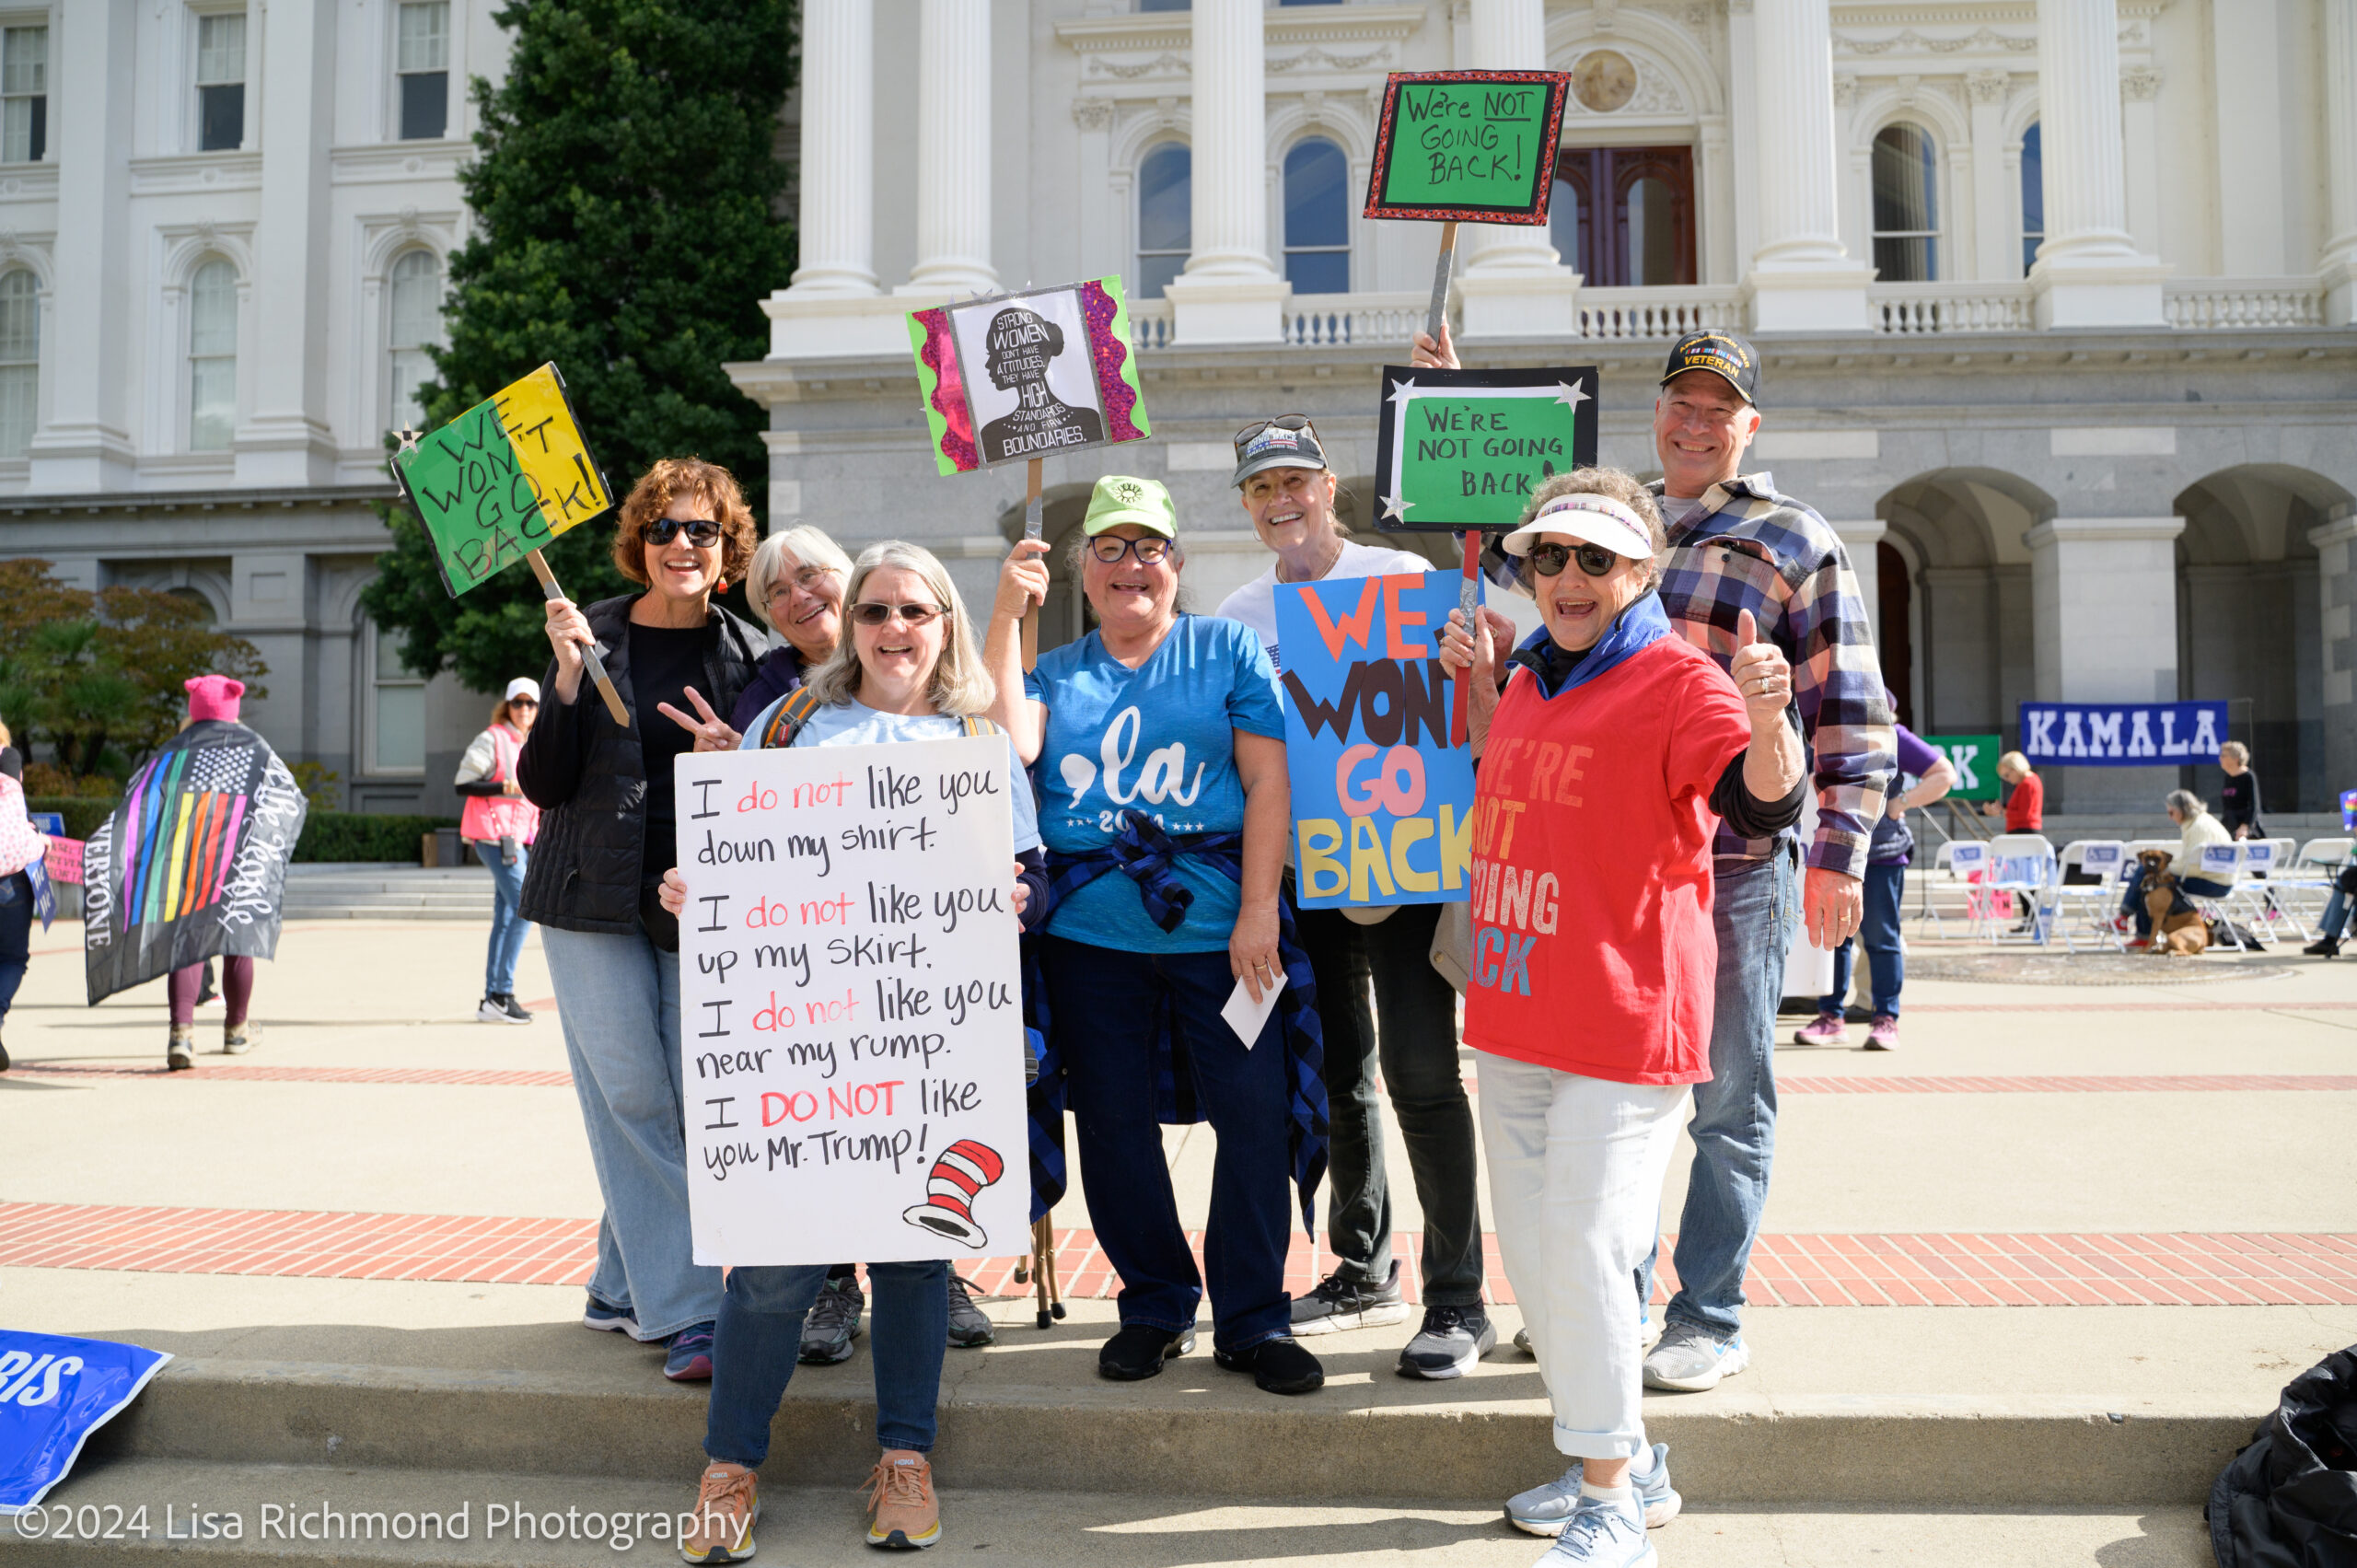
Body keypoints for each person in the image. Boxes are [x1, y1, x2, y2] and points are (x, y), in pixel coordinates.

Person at [1412, 323, 1892, 1396]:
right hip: (1605, 860)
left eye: (1718, 406)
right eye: (1681, 401)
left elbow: (1850, 702)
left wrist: (1839, 851)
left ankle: (1708, 1309)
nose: (1694, 420)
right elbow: (1505, 533)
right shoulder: (1609, 520)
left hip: (1733, 849)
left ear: (1747, 425)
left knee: (1725, 1092)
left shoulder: (1790, 533)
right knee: (1597, 1093)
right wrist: (1443, 409)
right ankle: (1605, 1298)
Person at [1438, 471, 1803, 1562]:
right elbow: (1510, 782)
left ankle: (1609, 1499)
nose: (1567, 576)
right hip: (1512, 1012)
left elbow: (1763, 800)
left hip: (1624, 1015)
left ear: (1641, 571)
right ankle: (1628, 1460)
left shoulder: (1679, 681)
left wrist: (1771, 717)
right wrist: (1481, 687)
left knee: (1593, 1249)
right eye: (1549, 556)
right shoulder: (1532, 680)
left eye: (1595, 558)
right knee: (1543, 1264)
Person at [659, 540, 1042, 1563]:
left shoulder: (978, 740)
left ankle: (905, 1458)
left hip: (927, 1038)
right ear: (853, 623)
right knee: (777, 1267)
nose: (893, 629)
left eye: (914, 610)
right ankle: (729, 1464)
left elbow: (1035, 876)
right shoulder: (792, 725)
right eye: (875, 611)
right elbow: (735, 859)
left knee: (918, 1256)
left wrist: (1012, 898)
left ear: (945, 620)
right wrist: (700, 888)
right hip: (802, 1045)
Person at [985, 474, 1329, 1398]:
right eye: (1109, 548)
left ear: (1176, 564)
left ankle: (1254, 1316)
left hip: (1225, 935)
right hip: (1091, 942)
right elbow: (1008, 742)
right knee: (1113, 1125)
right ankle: (1155, 1302)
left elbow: (1267, 785)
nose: (1129, 566)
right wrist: (1005, 615)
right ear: (1081, 571)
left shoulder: (1227, 650)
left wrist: (1260, 909)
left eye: (1148, 549)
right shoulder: (1052, 671)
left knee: (1256, 1117)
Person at [1213, 414, 1492, 1377]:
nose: (1281, 500)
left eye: (1295, 479)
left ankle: (1456, 1293)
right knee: (1338, 1074)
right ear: (1246, 505)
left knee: (1420, 1072)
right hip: (1305, 874)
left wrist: (1468, 667)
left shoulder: (1403, 582)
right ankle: (1360, 1260)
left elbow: (1473, 715)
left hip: (1405, 860)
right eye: (1260, 487)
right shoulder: (1237, 616)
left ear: (1330, 485)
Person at [517, 457, 769, 1383]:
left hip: (698, 903)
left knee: (697, 1105)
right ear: (640, 543)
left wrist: (733, 762)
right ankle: (692, 1306)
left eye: (701, 530)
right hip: (589, 897)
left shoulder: (750, 656)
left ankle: (618, 1282)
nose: (681, 545)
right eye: (664, 529)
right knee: (631, 1093)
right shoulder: (592, 634)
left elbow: (773, 798)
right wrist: (568, 677)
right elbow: (541, 784)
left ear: (727, 545)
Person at [1795, 717, 1955, 1051]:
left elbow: (1944, 773)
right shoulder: (1818, 729)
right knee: (1832, 938)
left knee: (1881, 938)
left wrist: (1901, 803)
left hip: (1880, 852)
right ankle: (1830, 1016)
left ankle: (1885, 1019)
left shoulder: (1889, 732)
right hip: (1832, 850)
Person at [455, 678, 542, 1024]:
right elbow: (462, 783)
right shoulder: (492, 738)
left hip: (518, 838)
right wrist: (502, 784)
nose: (524, 709)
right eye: (518, 703)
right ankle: (502, 994)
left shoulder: (531, 742)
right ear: (507, 706)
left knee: (507, 916)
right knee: (524, 908)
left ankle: (493, 999)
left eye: (531, 704)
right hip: (494, 836)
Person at [729, 524, 851, 732]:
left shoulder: (899, 663)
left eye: (808, 575)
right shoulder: (760, 705)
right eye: (778, 592)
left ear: (844, 574)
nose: (799, 597)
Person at [2119, 789, 2234, 947]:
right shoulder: (2202, 822)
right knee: (2150, 877)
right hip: (2218, 880)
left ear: (2183, 808)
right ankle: (2133, 926)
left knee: (2147, 877)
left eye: (2171, 812)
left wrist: (2164, 869)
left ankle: (2128, 921)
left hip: (2212, 883)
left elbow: (2191, 866)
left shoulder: (2198, 827)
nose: (2170, 817)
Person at [0, 732, 47, 1074]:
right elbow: (15, 821)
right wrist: (40, 840)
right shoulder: (8, 758)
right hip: (9, 876)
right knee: (12, 958)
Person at [2219, 741, 2265, 841]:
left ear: (2235, 758)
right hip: (2229, 825)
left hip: (2244, 829)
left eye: (2224, 756)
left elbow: (2254, 806)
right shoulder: (2228, 777)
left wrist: (2245, 826)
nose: (2220, 758)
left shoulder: (2248, 776)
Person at [1995, 751, 2043, 831]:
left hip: (2023, 830)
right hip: (2024, 829)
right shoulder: (2029, 781)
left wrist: (2001, 813)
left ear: (2016, 768)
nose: (2007, 779)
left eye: (2007, 775)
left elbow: (2023, 814)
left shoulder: (2027, 784)